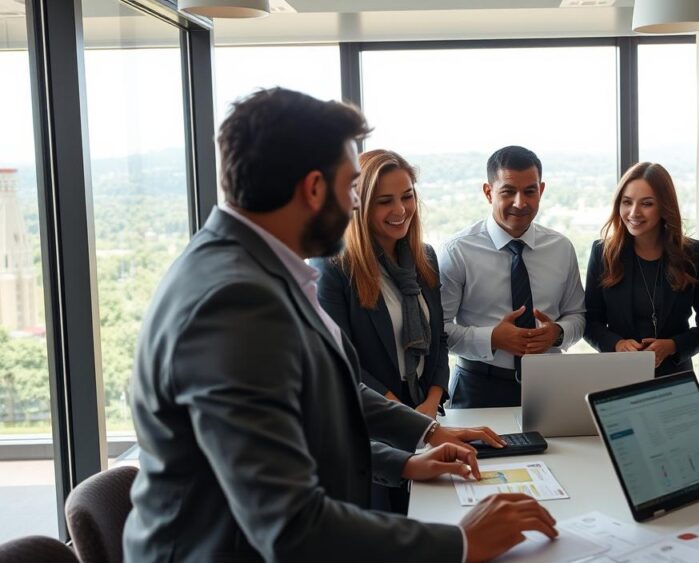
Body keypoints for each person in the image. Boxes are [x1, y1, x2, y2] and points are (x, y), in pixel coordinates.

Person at [123, 88, 557, 562]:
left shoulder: (255, 270)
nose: (356, 204)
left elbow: (327, 401)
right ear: (313, 188)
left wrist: (419, 445)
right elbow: (290, 526)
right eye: (353, 187)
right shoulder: (235, 302)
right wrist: (462, 541)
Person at [312, 149, 449, 514]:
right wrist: (405, 414)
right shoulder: (334, 268)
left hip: (426, 415)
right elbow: (342, 360)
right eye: (384, 201)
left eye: (407, 196)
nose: (401, 210)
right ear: (358, 205)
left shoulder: (426, 257)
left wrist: (430, 405)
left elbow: (440, 341)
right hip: (372, 428)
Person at [439, 145, 586, 407]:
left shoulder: (561, 248)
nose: (520, 203)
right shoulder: (457, 251)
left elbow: (578, 315)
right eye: (508, 192)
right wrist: (492, 338)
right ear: (488, 192)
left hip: (551, 385)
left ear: (541, 190)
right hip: (478, 386)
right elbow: (438, 331)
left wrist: (558, 333)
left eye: (530, 191)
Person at [584, 162, 699, 376]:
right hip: (617, 375)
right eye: (627, 202)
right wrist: (617, 344)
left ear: (664, 206)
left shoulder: (694, 254)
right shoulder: (603, 253)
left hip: (675, 378)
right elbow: (589, 322)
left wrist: (673, 346)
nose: (634, 213)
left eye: (646, 204)